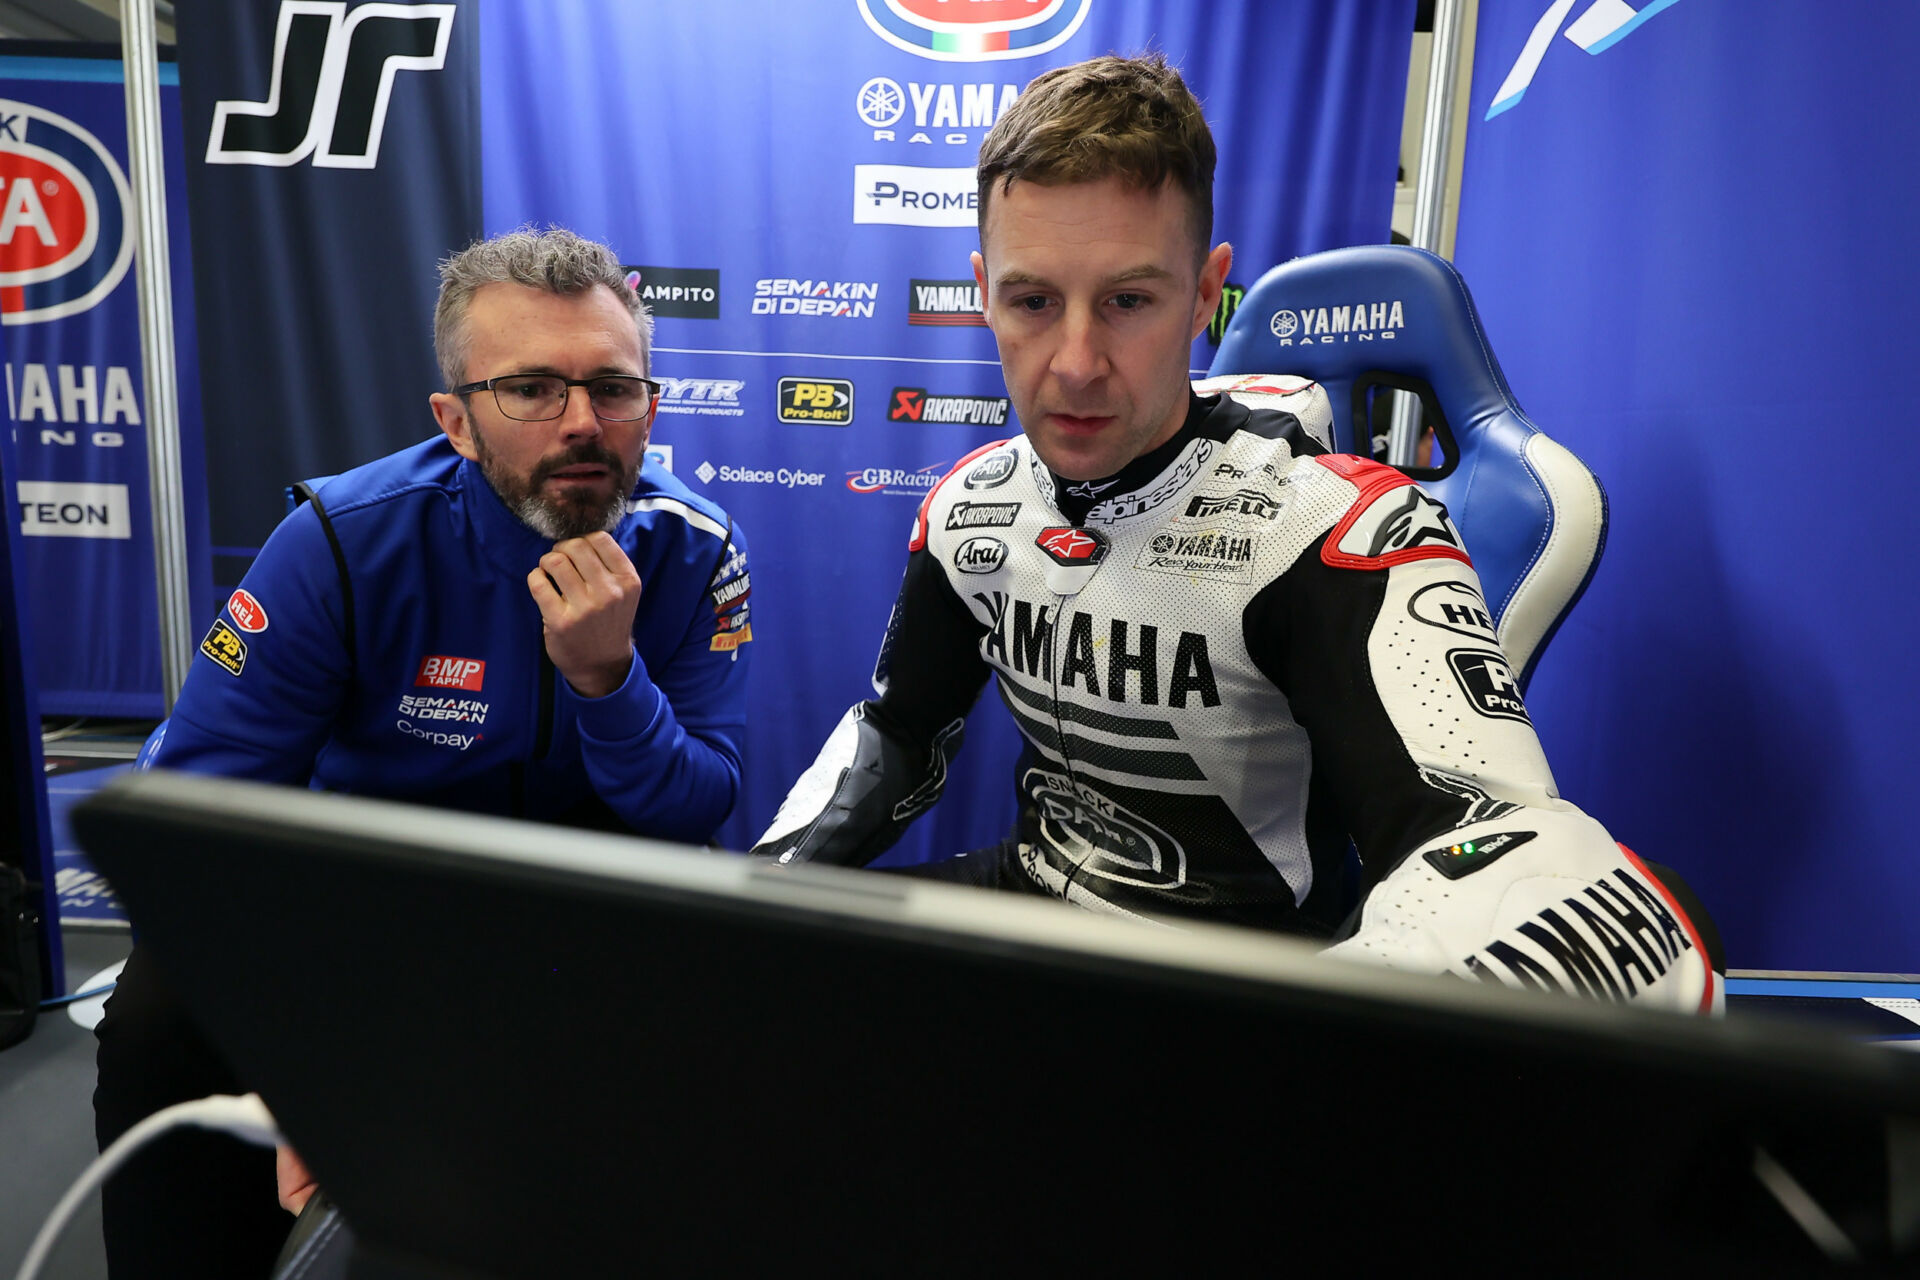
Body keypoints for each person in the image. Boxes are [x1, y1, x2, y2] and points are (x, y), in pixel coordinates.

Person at [752, 55, 1720, 1011]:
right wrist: (749, 905)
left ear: (1208, 292)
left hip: (1233, 986)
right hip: (1036, 912)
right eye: (1033, 300)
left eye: (1129, 300)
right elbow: (893, 735)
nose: (1075, 362)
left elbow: (1502, 847)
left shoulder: (1338, 528)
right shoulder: (971, 506)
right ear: (984, 287)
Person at [94, 226, 752, 1277]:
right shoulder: (345, 540)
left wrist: (606, 680)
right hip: (355, 897)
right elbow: (200, 815)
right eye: (532, 389)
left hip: (585, 901)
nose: (583, 423)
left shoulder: (695, 545)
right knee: (156, 1025)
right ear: (456, 420)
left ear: (651, 407)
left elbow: (698, 804)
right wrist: (304, 1053)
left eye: (612, 387)